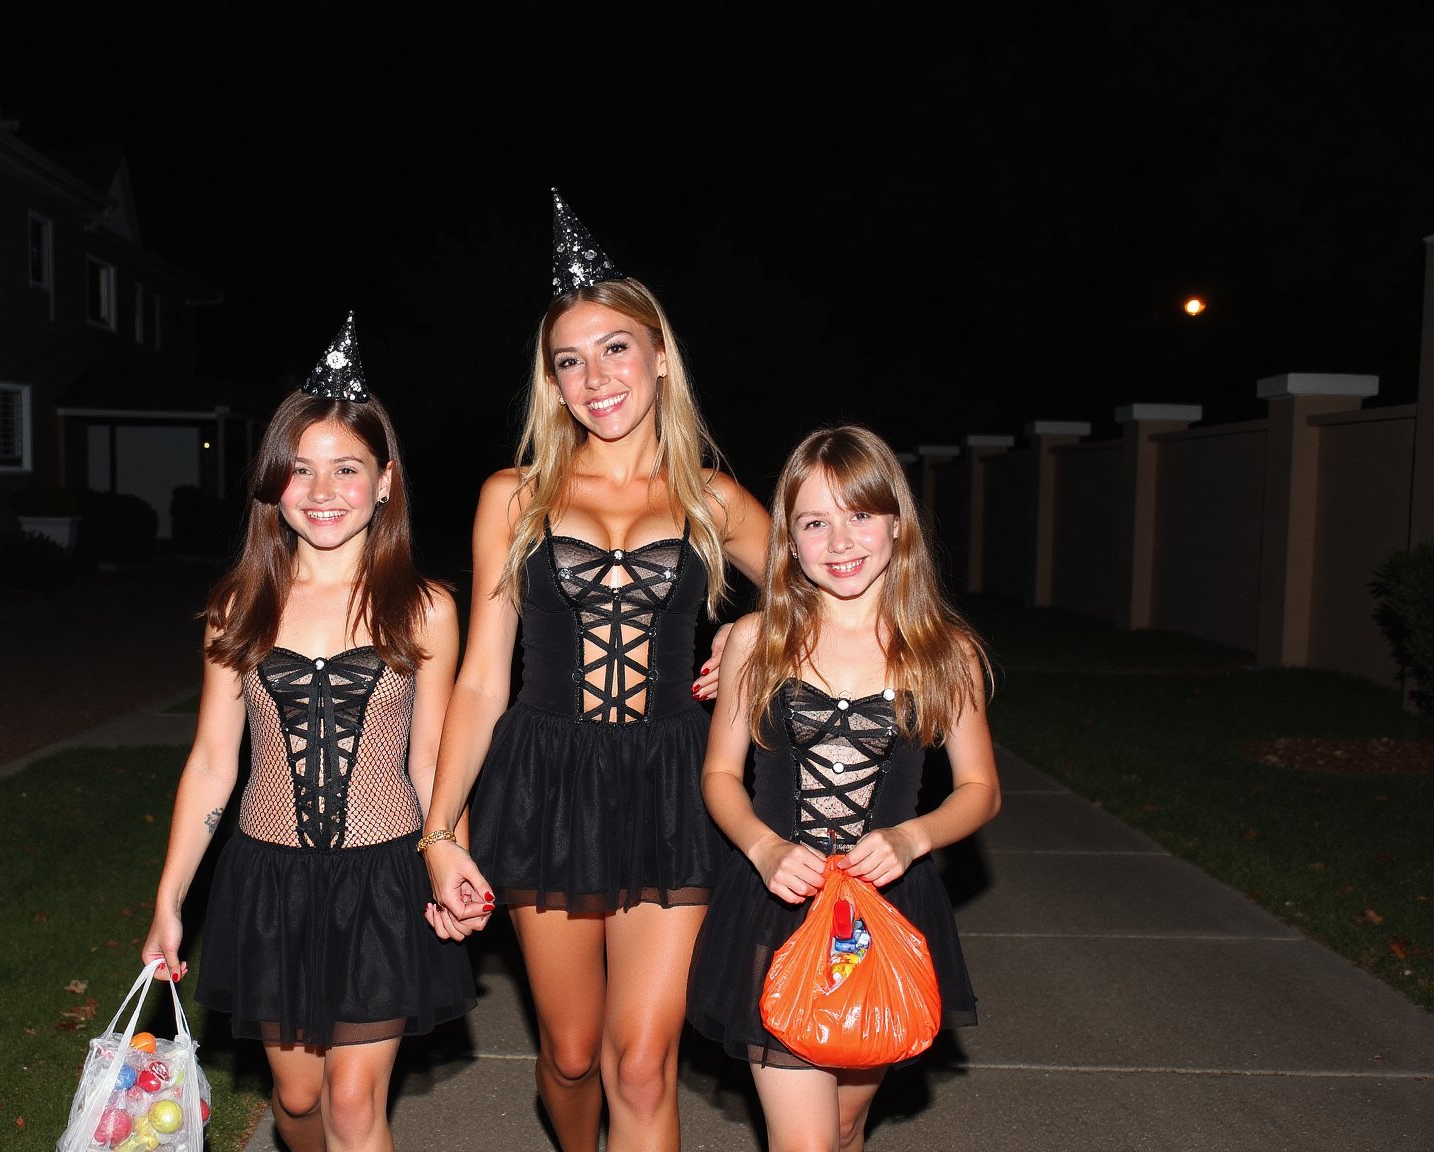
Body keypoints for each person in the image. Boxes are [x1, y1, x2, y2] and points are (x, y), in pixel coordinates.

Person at [419, 191, 769, 1152]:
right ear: (553, 382)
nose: (595, 376)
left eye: (615, 347)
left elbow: (828, 590)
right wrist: (440, 829)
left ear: (659, 353)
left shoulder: (714, 498)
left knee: (643, 1062)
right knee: (572, 1057)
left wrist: (752, 640)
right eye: (569, 360)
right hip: (544, 779)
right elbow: (485, 677)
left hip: (672, 781)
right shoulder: (516, 494)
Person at [141, 314, 474, 1152]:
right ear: (271, 484)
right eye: (300, 471)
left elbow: (436, 755)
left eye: (346, 469)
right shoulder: (238, 604)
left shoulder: (425, 606)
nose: (322, 491)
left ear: (386, 480)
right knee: (298, 1103)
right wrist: (170, 899)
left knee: (357, 1106)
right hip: (268, 882)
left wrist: (451, 860)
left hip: (383, 879)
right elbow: (215, 760)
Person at [685, 424, 1000, 1152]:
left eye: (859, 515)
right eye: (814, 522)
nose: (839, 540)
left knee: (849, 1122)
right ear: (789, 541)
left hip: (883, 914)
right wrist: (763, 848)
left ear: (896, 523)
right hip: (777, 906)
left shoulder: (944, 654)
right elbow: (720, 775)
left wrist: (915, 835)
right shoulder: (756, 641)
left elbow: (980, 788)